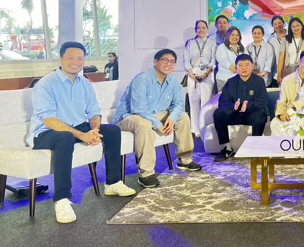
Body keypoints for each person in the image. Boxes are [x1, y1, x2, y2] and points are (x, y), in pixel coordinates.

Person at [27, 41, 135, 223]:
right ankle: (62, 200)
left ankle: (113, 182)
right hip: (46, 132)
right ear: (61, 59)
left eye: (80, 58)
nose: (76, 62)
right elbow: (49, 120)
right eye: (71, 58)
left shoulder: (84, 83)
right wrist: (82, 135)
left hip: (77, 127)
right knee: (65, 138)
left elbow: (94, 112)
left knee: (112, 131)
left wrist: (94, 130)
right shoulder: (46, 84)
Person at [114, 49, 201, 189]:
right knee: (144, 124)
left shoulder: (173, 81)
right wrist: (157, 125)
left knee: (183, 117)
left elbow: (178, 104)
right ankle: (146, 173)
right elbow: (138, 109)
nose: (169, 64)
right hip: (129, 116)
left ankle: (185, 160)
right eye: (165, 60)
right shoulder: (142, 79)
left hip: (156, 114)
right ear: (155, 62)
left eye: (172, 61)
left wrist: (172, 118)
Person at [213, 54, 269, 162]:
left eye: (247, 65)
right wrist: (234, 107)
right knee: (218, 113)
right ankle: (227, 148)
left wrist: (248, 105)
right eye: (240, 65)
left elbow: (263, 102)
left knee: (261, 114)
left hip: (251, 115)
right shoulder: (231, 82)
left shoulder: (259, 81)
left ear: (252, 67)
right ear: (236, 68)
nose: (244, 68)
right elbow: (223, 102)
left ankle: (256, 148)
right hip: (235, 114)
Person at [270, 50, 304, 136]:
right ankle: (289, 143)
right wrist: (280, 114)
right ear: (299, 61)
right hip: (292, 113)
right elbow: (281, 101)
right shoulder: (287, 80)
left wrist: (293, 106)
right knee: (274, 123)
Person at [183, 20, 217, 135]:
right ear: (195, 30)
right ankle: (195, 129)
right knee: (194, 102)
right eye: (199, 28)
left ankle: (204, 127)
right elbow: (186, 61)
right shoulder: (190, 43)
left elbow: (213, 60)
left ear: (207, 29)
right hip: (193, 73)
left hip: (207, 73)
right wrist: (191, 74)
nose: (201, 30)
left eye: (203, 27)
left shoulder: (212, 43)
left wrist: (207, 73)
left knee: (206, 102)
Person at [215, 26, 245, 91]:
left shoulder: (242, 48)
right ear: (228, 36)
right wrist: (235, 69)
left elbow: (247, 60)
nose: (235, 37)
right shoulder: (221, 47)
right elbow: (223, 61)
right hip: (224, 79)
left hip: (239, 80)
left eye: (237, 35)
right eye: (232, 35)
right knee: (224, 97)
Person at [267, 16, 286, 88]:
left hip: (291, 72)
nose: (277, 25)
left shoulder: (291, 36)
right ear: (272, 26)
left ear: (284, 23)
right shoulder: (270, 39)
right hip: (276, 74)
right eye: (275, 24)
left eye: (279, 23)